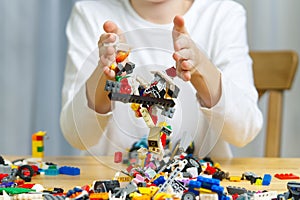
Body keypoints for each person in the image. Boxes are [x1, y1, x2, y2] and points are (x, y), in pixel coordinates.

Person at [60, 0, 263, 158]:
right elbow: (76, 136)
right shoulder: (89, 14)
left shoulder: (223, 15)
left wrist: (202, 69)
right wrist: (104, 73)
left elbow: (244, 131)